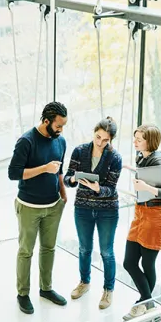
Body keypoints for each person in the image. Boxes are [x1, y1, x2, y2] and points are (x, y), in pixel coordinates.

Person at [8, 102, 68, 314]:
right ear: (46, 121)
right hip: (28, 206)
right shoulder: (26, 141)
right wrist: (44, 168)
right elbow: (13, 173)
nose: (61, 130)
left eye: (63, 126)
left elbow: (59, 171)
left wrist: (63, 193)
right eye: (58, 125)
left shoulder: (60, 141)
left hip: (53, 205)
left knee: (49, 248)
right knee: (26, 251)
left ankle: (46, 289)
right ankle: (22, 294)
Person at [64, 116, 122, 309]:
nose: (100, 142)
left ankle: (108, 290)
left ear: (110, 140)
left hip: (107, 211)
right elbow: (67, 178)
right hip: (83, 208)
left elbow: (112, 188)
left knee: (106, 251)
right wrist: (73, 181)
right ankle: (84, 282)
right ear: (94, 133)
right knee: (84, 248)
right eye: (98, 137)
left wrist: (99, 189)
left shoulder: (115, 158)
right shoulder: (80, 151)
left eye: (105, 140)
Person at [123, 124, 161, 322]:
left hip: (154, 218)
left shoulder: (159, 161)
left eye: (139, 139)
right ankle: (149, 305)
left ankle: (145, 306)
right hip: (141, 215)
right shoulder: (142, 158)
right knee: (129, 262)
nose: (135, 141)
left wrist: (146, 187)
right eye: (135, 137)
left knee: (148, 264)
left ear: (150, 141)